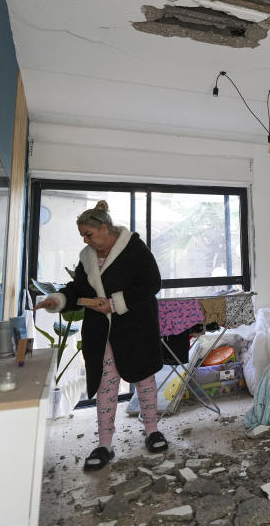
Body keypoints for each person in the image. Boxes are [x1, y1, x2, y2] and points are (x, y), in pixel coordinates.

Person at [34, 200, 166, 471]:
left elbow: (152, 282)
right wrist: (57, 299)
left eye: (89, 234)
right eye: (83, 235)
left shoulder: (133, 248)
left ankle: (152, 431)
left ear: (104, 228)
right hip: (102, 332)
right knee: (107, 384)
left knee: (143, 378)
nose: (86, 240)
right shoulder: (87, 257)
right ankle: (105, 444)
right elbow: (77, 288)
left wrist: (116, 303)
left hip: (135, 328)